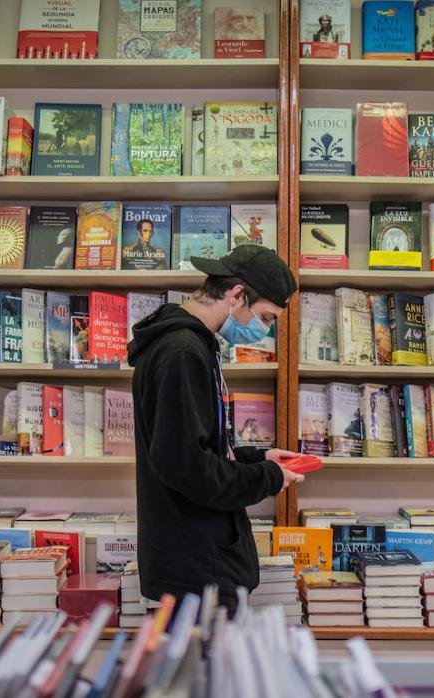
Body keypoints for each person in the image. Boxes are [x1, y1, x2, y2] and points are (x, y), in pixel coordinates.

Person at [127, 246, 304, 614]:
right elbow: (188, 467)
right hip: (195, 573)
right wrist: (267, 479)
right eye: (267, 317)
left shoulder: (192, 346)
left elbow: (197, 445)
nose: (265, 330)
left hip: (198, 565)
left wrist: (259, 456)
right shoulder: (182, 351)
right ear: (237, 294)